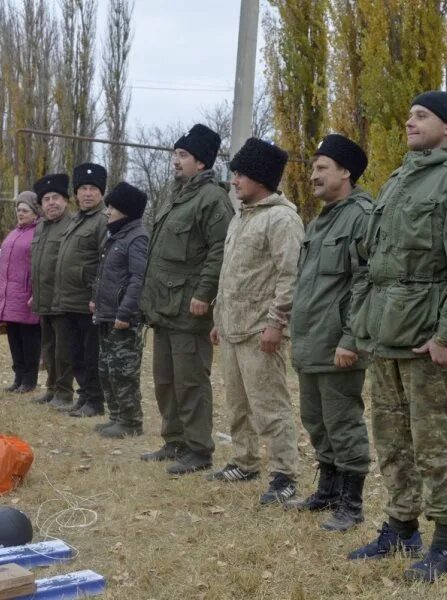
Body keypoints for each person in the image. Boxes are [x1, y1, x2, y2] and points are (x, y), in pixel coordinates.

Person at [347, 91, 447, 582]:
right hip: (385, 331)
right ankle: (401, 525)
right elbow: (373, 261)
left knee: (434, 442)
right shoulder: (399, 179)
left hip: (426, 335)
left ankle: (444, 542)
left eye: (422, 115)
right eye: (409, 113)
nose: (409, 121)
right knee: (391, 438)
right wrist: (361, 324)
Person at [286, 134, 373, 533]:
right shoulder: (320, 219)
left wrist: (351, 339)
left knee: (343, 422)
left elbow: (365, 282)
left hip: (339, 343)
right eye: (313, 167)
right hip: (311, 342)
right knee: (316, 421)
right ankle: (329, 489)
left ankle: (351, 503)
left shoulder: (362, 216)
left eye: (322, 168)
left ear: (346, 172)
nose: (314, 175)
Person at [209, 137, 303, 504]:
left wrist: (276, 323)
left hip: (259, 332)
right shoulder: (241, 217)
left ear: (261, 178)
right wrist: (219, 318)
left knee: (270, 406)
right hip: (232, 328)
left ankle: (285, 474)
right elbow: (232, 275)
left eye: (241, 175)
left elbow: (290, 275)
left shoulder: (282, 219)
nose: (234, 181)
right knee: (237, 403)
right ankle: (244, 460)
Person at [139, 123, 234, 475]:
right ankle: (174, 440)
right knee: (164, 379)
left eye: (183, 155)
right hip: (165, 308)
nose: (175, 161)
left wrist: (204, 294)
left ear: (201, 163)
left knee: (191, 381)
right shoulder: (176, 195)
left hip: (189, 308)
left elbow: (219, 251)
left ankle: (198, 449)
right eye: (175, 154)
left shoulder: (213, 200)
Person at [91, 182, 149, 439]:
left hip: (124, 319)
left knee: (123, 371)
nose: (107, 212)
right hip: (106, 314)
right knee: (106, 369)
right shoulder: (115, 235)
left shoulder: (137, 238)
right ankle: (115, 417)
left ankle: (130, 421)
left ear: (125, 210)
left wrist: (125, 313)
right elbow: (105, 274)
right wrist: (96, 300)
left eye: (112, 207)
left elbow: (139, 279)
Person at [49, 162, 108, 417]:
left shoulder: (102, 221)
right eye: (82, 188)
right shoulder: (77, 220)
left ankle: (94, 400)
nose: (87, 193)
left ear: (102, 193)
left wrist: (96, 296)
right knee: (76, 354)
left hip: (88, 301)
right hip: (70, 301)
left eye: (92, 189)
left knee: (91, 355)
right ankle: (84, 397)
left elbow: (105, 262)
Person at [30, 173, 73, 407]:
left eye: (56, 197)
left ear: (66, 200)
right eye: (46, 199)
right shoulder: (41, 227)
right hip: (43, 299)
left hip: (63, 300)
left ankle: (65, 393)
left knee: (63, 351)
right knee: (47, 348)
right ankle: (52, 388)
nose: (51, 203)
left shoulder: (71, 225)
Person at [0, 191, 41, 394]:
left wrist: (35, 292)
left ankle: (30, 380)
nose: (20, 213)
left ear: (35, 213)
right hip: (9, 296)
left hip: (26, 296)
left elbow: (40, 266)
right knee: (14, 338)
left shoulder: (38, 233)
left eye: (25, 210)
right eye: (18, 210)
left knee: (29, 339)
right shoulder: (14, 233)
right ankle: (18, 377)